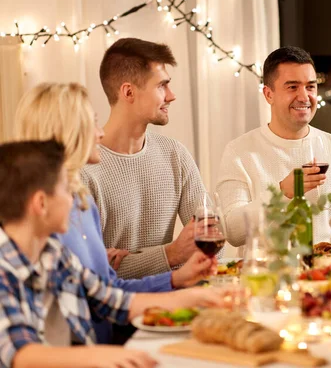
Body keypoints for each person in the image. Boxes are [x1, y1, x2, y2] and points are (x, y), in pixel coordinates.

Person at [13, 82, 220, 343]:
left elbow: (107, 292)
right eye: (93, 123)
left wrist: (178, 278)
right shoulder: (34, 219)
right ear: (69, 132)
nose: (100, 133)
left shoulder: (82, 203)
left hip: (106, 342)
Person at [0, 140, 231, 368]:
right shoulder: (4, 268)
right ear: (41, 204)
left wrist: (195, 298)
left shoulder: (55, 254)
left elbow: (111, 300)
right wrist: (99, 356)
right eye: (65, 189)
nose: (74, 199)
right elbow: (21, 353)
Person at [216, 46, 331, 255]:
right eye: (292, 87)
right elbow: (232, 232)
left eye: (310, 87)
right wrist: (282, 193)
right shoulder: (239, 152)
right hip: (262, 279)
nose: (304, 97)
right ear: (268, 94)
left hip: (327, 278)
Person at [81, 38, 212, 280]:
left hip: (174, 303)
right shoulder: (84, 169)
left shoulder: (175, 154)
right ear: (129, 92)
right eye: (162, 86)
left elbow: (211, 238)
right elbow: (93, 272)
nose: (171, 96)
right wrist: (170, 255)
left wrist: (136, 260)